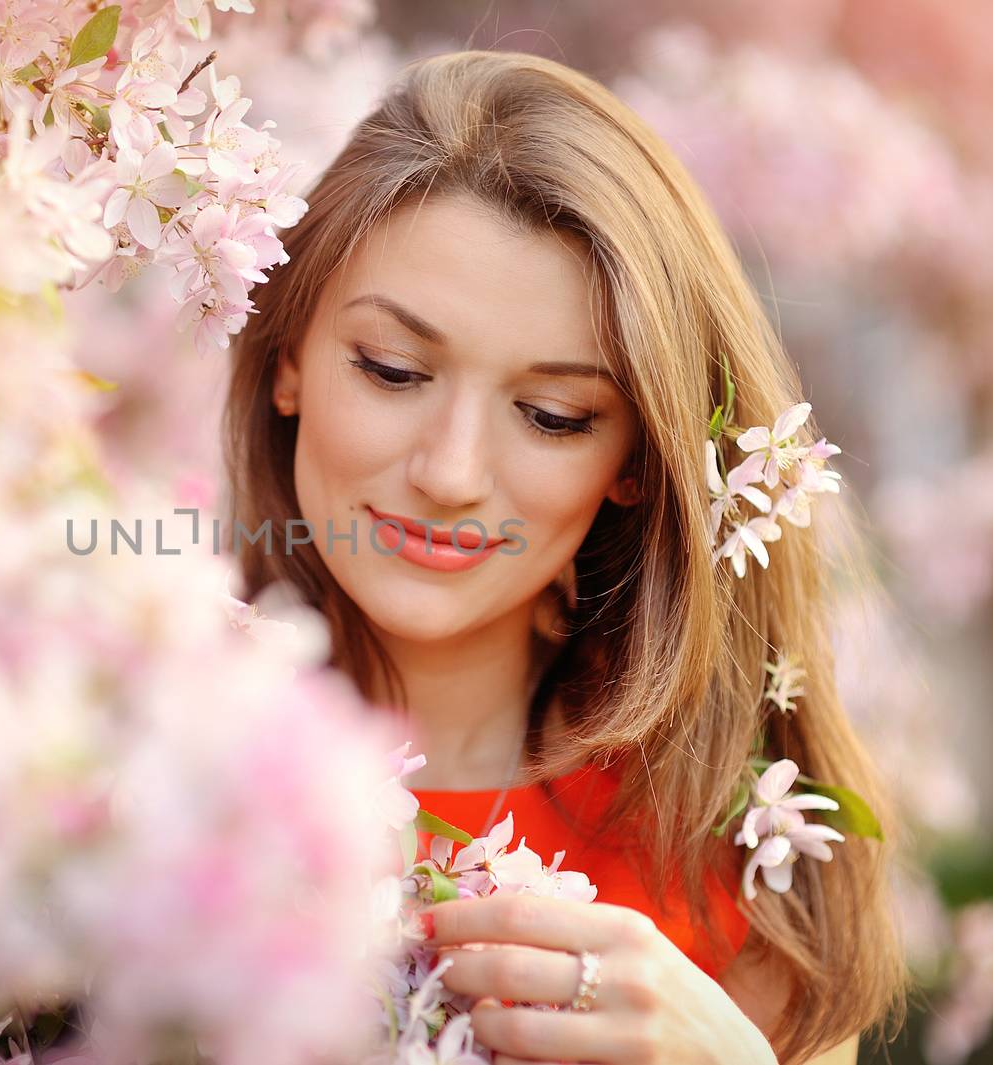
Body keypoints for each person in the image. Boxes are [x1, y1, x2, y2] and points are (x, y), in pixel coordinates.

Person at [221, 49, 905, 1065]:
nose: (449, 472)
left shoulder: (734, 851)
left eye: (551, 416)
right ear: (286, 361)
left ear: (635, 458)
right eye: (393, 370)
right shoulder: (117, 752)